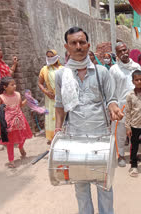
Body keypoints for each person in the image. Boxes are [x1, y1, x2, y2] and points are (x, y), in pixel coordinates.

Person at [55, 27, 123, 214]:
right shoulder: (61, 75)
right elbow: (60, 106)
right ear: (66, 46)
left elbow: (111, 98)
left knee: (104, 185)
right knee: (81, 186)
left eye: (82, 42)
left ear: (88, 45)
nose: (78, 47)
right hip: (74, 138)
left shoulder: (102, 72)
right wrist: (57, 132)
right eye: (73, 43)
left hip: (100, 138)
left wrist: (114, 107)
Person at [109, 42, 141, 167]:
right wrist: (113, 108)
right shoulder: (114, 69)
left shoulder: (136, 66)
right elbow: (111, 90)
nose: (123, 53)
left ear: (128, 50)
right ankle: (121, 155)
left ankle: (135, 154)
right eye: (120, 51)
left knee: (135, 133)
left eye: (124, 50)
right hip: (120, 107)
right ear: (117, 54)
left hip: (136, 106)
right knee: (120, 134)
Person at [0, 77, 32, 168]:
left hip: (20, 119)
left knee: (24, 135)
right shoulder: (1, 97)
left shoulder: (17, 94)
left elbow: (20, 105)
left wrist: (27, 99)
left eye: (15, 84)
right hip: (9, 122)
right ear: (5, 87)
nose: (15, 86)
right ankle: (11, 160)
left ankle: (20, 146)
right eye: (12, 85)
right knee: (10, 142)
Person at [38, 49, 63, 144]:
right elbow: (40, 83)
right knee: (52, 118)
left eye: (51, 56)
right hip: (50, 98)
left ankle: (61, 135)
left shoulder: (62, 69)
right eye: (47, 56)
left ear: (56, 57)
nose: (49, 58)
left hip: (61, 98)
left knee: (61, 116)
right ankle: (52, 138)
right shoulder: (44, 69)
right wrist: (46, 91)